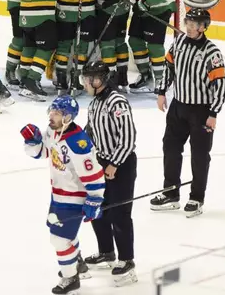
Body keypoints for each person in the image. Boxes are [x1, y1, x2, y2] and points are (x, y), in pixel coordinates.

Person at [20, 95, 106, 294]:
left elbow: (93, 173)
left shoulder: (78, 143)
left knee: (58, 239)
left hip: (74, 197)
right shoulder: (52, 131)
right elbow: (43, 153)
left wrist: (94, 199)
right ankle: (77, 263)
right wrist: (33, 141)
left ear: (67, 117)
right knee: (65, 235)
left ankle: (71, 278)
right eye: (52, 111)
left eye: (57, 113)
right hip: (58, 194)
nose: (52, 116)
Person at [151, 8, 225, 217]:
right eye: (188, 23)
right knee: (171, 148)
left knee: (200, 156)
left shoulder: (212, 53)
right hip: (178, 106)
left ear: (204, 27)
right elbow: (168, 67)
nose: (190, 28)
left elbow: (219, 85)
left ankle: (196, 197)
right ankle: (171, 193)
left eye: (194, 25)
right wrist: (161, 92)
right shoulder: (179, 42)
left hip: (201, 111)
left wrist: (213, 113)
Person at [81, 60, 138, 287]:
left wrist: (113, 164)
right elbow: (90, 131)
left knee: (120, 214)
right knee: (98, 209)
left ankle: (127, 260)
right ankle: (106, 251)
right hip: (100, 163)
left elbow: (128, 137)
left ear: (100, 80)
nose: (85, 82)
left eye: (89, 79)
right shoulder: (95, 103)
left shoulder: (117, 102)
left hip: (121, 164)